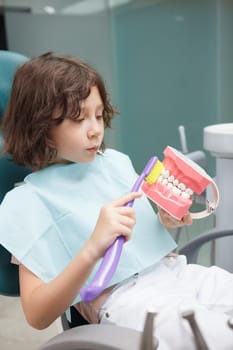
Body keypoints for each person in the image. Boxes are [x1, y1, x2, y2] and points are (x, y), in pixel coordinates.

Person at [0, 53, 232, 348]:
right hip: (126, 302)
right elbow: (37, 314)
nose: (95, 128)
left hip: (177, 274)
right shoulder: (26, 203)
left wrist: (165, 217)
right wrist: (92, 248)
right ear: (39, 124)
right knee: (216, 333)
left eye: (98, 115)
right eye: (78, 118)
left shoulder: (113, 163)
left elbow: (143, 233)